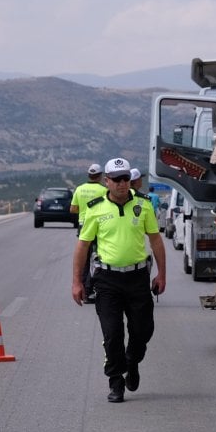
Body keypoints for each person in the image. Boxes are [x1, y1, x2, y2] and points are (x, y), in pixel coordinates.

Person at [72, 157, 166, 403]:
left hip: (137, 278)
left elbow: (156, 240)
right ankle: (115, 381)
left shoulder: (144, 205)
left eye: (126, 179)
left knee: (143, 330)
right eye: (117, 180)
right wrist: (77, 282)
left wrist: (162, 274)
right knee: (112, 333)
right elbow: (82, 246)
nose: (123, 184)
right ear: (107, 182)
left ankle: (132, 361)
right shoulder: (95, 208)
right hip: (107, 279)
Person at [70, 163, 109, 301]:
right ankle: (90, 288)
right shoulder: (103, 190)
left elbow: (73, 209)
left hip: (83, 226)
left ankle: (84, 291)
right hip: (98, 226)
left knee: (85, 259)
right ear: (100, 176)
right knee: (99, 258)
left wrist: (84, 211)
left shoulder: (79, 189)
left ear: (89, 175)